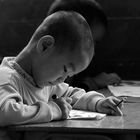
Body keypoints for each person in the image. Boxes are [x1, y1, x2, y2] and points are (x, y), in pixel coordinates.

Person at [0, 11, 123, 140]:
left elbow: (71, 94)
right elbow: (5, 112)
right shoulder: (6, 78)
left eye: (69, 74)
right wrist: (53, 110)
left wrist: (98, 103)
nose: (63, 79)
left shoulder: (45, 82)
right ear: (45, 46)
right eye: (65, 69)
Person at [48, 0, 122, 91]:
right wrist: (93, 82)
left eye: (95, 43)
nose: (93, 51)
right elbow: (61, 95)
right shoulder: (50, 69)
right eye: (89, 42)